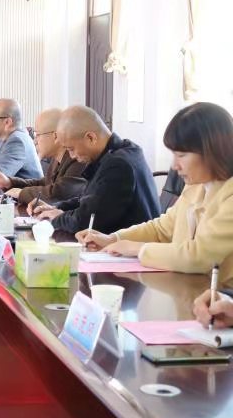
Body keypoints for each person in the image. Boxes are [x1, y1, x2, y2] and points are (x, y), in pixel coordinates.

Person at [77, 102, 233, 284]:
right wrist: (113, 239)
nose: (174, 165)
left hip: (217, 296)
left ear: (212, 151)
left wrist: (137, 248)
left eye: (181, 155)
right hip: (187, 288)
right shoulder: (197, 185)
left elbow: (198, 256)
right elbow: (161, 229)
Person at [32, 105, 159, 233]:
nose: (72, 156)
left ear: (91, 138)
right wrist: (56, 208)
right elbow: (90, 200)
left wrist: (57, 218)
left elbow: (87, 221)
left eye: (71, 149)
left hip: (131, 244)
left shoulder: (118, 165)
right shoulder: (118, 152)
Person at [0, 108, 86, 206]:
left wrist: (21, 193)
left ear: (56, 136)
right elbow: (43, 183)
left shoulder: (77, 159)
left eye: (38, 135)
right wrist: (10, 182)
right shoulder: (57, 159)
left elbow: (58, 194)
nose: (35, 141)